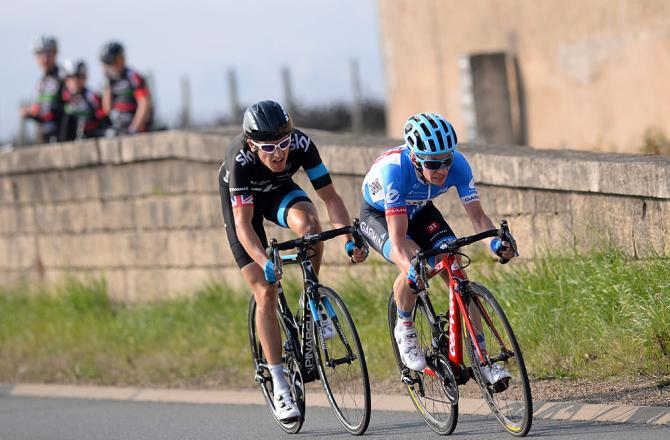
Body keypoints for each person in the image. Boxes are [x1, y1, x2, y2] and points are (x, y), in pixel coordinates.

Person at [218, 100, 367, 421]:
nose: (279, 154)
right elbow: (243, 226)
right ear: (252, 144)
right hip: (245, 212)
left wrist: (347, 238)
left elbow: (331, 197)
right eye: (269, 147)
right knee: (265, 291)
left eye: (283, 144)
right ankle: (280, 384)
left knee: (312, 228)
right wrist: (263, 260)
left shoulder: (301, 144)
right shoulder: (240, 158)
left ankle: (310, 293)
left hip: (279, 192)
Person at [359, 113, 516, 384]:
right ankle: (405, 326)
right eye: (433, 164)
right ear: (416, 159)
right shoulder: (395, 170)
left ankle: (483, 361)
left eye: (447, 160)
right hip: (380, 215)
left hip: (420, 210)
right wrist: (411, 270)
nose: (442, 169)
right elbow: (397, 241)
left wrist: (495, 243)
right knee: (416, 262)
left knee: (453, 265)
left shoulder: (459, 165)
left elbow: (479, 218)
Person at [99, 41, 152, 135]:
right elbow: (107, 109)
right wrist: (107, 85)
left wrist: (135, 128)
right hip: (118, 128)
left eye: (114, 61)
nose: (112, 66)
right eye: (108, 63)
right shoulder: (108, 80)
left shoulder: (133, 77)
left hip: (136, 128)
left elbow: (144, 104)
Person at [20, 35, 64, 143]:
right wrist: (31, 113)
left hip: (62, 134)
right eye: (40, 54)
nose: (45, 59)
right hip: (46, 134)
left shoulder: (64, 77)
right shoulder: (41, 82)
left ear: (55, 54)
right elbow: (41, 108)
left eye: (49, 54)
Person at [59, 59, 107, 141]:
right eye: (71, 77)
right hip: (67, 139)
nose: (75, 81)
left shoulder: (92, 97)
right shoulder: (61, 98)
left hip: (91, 138)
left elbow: (103, 118)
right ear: (66, 80)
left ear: (85, 77)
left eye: (79, 77)